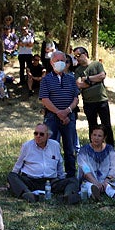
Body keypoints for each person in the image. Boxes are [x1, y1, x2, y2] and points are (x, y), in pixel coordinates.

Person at [8, 122, 81, 204]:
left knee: (73, 180)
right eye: (36, 133)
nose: (38, 136)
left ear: (48, 136)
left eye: (41, 134)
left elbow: (59, 164)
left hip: (50, 182)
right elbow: (18, 165)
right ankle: (28, 194)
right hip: (31, 181)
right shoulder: (27, 146)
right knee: (12, 176)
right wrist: (11, 182)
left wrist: (62, 180)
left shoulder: (55, 145)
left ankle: (67, 197)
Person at [40, 50, 81, 178]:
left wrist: (67, 111)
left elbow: (76, 98)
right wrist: (58, 112)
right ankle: (52, 174)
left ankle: (70, 176)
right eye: (57, 61)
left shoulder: (71, 78)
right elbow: (45, 99)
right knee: (51, 147)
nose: (60, 63)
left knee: (70, 148)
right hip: (52, 118)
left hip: (69, 117)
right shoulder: (46, 80)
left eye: (62, 61)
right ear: (52, 63)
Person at [77, 126, 115, 200]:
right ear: (91, 136)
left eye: (99, 136)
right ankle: (93, 194)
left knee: (109, 186)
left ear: (104, 138)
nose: (96, 138)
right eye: (94, 135)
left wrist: (105, 182)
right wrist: (96, 183)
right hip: (90, 179)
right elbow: (85, 169)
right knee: (89, 186)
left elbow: (114, 167)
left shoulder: (110, 149)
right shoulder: (84, 150)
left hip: (107, 179)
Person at [74, 46, 112, 145]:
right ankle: (94, 148)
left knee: (106, 125)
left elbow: (102, 76)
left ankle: (110, 147)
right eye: (75, 57)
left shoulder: (97, 64)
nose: (77, 58)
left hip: (101, 100)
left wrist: (87, 79)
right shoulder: (78, 70)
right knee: (92, 126)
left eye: (78, 55)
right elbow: (79, 84)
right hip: (88, 102)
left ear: (85, 54)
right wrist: (95, 81)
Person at [17, 25, 36, 90]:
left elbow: (31, 44)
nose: (24, 31)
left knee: (29, 68)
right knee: (21, 68)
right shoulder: (20, 37)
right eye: (23, 30)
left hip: (28, 54)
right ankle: (22, 81)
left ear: (27, 30)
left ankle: (29, 80)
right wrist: (26, 44)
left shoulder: (31, 36)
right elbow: (19, 44)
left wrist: (24, 44)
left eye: (25, 30)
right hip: (21, 54)